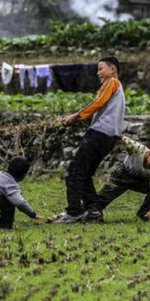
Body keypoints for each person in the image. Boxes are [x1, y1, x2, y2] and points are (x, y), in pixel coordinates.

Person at [54, 57, 126, 223]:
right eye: (98, 70)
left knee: (74, 172)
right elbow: (99, 108)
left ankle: (73, 212)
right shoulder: (117, 89)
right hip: (109, 137)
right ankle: (93, 211)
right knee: (85, 174)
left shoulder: (112, 82)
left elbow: (97, 103)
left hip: (99, 133)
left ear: (112, 69)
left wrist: (77, 116)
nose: (98, 73)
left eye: (101, 69)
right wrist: (80, 119)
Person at [97, 135, 150, 223]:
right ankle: (91, 213)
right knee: (102, 199)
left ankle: (144, 214)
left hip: (140, 181)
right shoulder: (137, 149)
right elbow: (121, 137)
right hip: (123, 176)